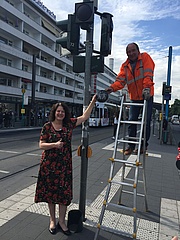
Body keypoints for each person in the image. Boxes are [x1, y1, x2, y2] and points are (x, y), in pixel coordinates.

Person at [34, 95, 96, 236]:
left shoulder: (69, 124)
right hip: (49, 165)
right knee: (50, 194)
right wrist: (54, 145)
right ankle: (52, 220)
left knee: (63, 195)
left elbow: (84, 116)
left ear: (65, 113)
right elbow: (41, 145)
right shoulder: (47, 127)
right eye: (58, 111)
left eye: (62, 111)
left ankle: (62, 221)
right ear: (54, 112)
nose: (60, 113)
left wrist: (93, 101)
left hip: (64, 166)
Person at [106, 42, 155, 155]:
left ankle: (143, 146)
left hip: (146, 95)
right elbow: (120, 81)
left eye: (133, 50)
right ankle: (131, 146)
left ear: (138, 51)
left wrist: (146, 87)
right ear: (127, 53)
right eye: (129, 51)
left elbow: (148, 74)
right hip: (134, 97)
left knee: (146, 122)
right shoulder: (125, 66)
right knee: (131, 121)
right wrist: (111, 89)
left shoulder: (145, 58)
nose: (131, 53)